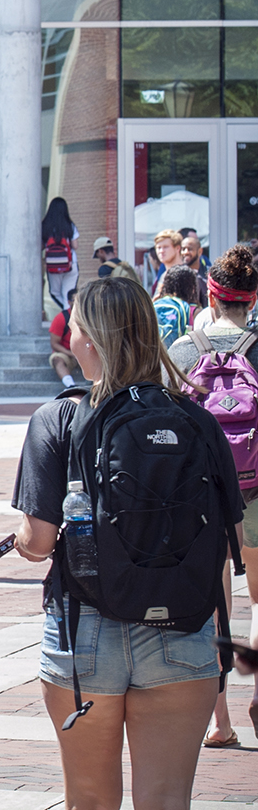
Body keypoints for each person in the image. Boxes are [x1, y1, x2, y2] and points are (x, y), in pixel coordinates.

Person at [9, 276, 238, 803]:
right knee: (166, 799)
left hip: (85, 627)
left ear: (87, 339)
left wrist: (21, 541)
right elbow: (226, 539)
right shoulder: (196, 420)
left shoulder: (59, 418)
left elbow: (40, 540)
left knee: (90, 798)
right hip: (182, 626)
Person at [164, 244, 258, 748]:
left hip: (200, 492)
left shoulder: (182, 349)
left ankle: (220, 723)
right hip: (256, 485)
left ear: (211, 294)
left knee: (215, 602)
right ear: (253, 297)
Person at [42, 196, 79, 312]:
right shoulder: (69, 225)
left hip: (52, 266)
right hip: (70, 264)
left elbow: (41, 246)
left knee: (55, 293)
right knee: (69, 294)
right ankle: (69, 314)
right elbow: (75, 246)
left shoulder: (45, 226)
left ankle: (66, 314)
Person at [153, 266, 203, 346]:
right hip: (179, 354)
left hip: (158, 355)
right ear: (192, 287)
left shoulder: (156, 304)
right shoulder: (193, 311)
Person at [51, 287, 83, 387]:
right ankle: (70, 385)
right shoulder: (61, 318)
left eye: (80, 300)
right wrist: (71, 353)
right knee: (57, 359)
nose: (78, 303)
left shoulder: (90, 317)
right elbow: (54, 343)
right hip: (67, 353)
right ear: (69, 302)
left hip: (85, 351)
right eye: (75, 300)